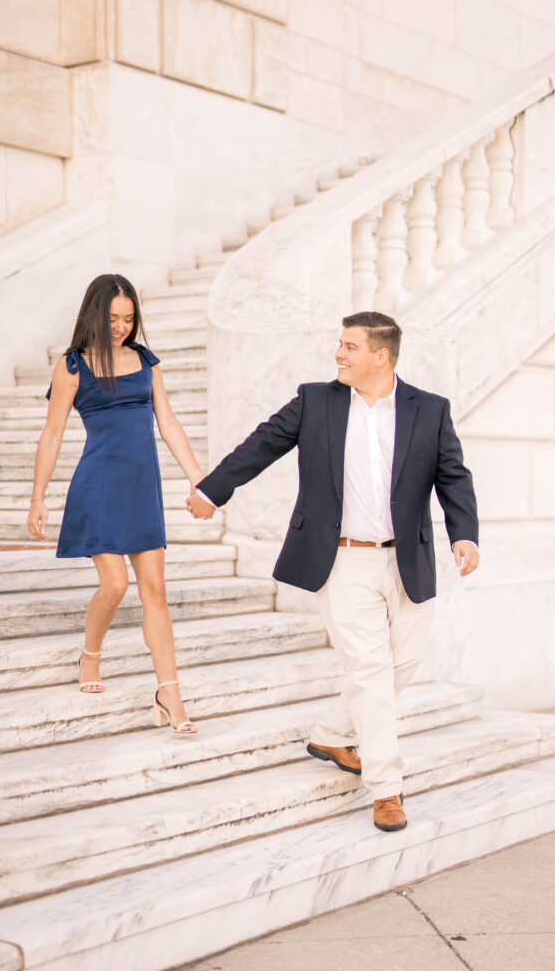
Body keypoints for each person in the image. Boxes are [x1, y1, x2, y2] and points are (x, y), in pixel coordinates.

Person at [187, 311, 479, 828]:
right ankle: (387, 788)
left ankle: (329, 732)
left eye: (349, 346)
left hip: (407, 556)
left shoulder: (429, 410)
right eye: (339, 345)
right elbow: (262, 444)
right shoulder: (315, 401)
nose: (339, 354)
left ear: (381, 356)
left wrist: (465, 534)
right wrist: (213, 488)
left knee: (401, 666)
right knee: (370, 671)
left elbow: (453, 475)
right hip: (341, 558)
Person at [27, 273, 202, 734]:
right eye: (112, 318)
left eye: (128, 318)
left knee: (156, 593)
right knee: (116, 584)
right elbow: (52, 432)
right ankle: (90, 654)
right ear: (93, 315)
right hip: (99, 485)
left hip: (143, 487)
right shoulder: (72, 365)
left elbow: (168, 422)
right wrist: (37, 497)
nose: (121, 327)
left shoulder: (146, 361)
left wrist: (199, 479)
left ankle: (170, 694)